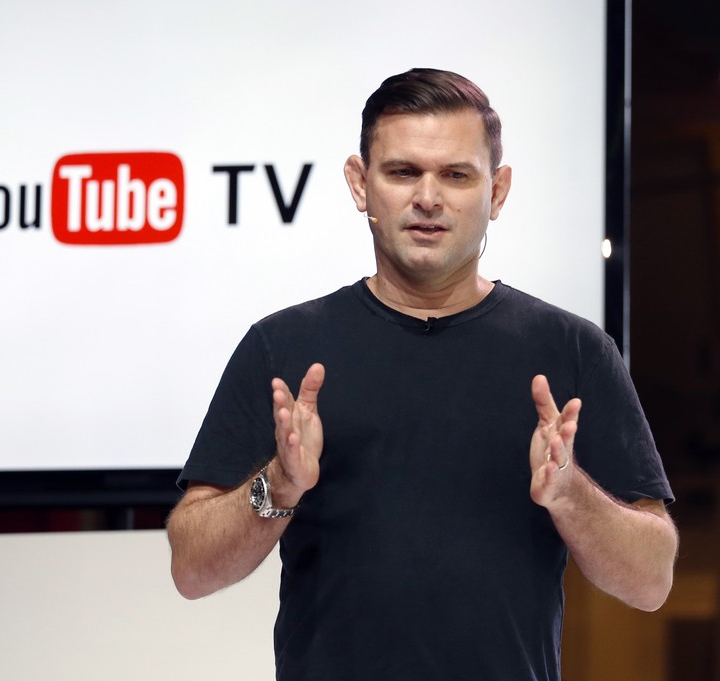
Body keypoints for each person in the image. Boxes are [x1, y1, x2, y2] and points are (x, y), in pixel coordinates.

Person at [166, 68, 678, 680]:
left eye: (456, 175)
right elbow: (191, 568)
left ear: (497, 191)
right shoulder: (282, 347)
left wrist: (571, 496)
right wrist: (276, 487)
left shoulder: (572, 352)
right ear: (360, 184)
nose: (428, 198)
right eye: (403, 171)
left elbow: (652, 579)